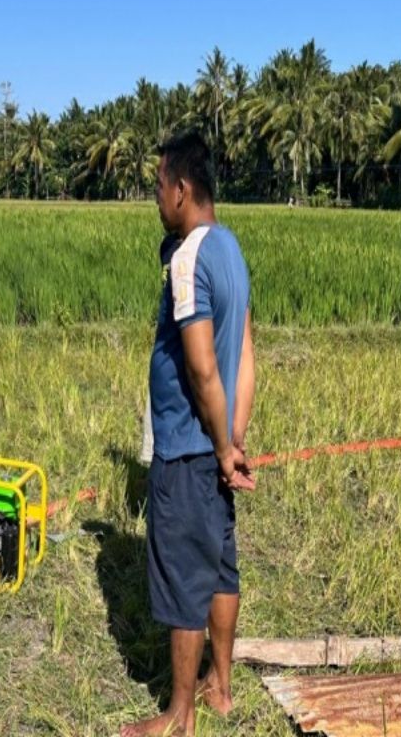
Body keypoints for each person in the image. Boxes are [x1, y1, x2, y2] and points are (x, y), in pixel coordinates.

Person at [122, 132, 256, 737]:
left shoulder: (187, 258)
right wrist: (235, 440)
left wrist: (218, 444)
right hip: (219, 447)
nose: (155, 198)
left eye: (157, 186)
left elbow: (203, 365)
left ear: (181, 189)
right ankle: (221, 687)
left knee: (182, 580)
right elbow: (247, 355)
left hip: (186, 448)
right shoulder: (231, 249)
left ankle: (179, 714)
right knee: (220, 567)